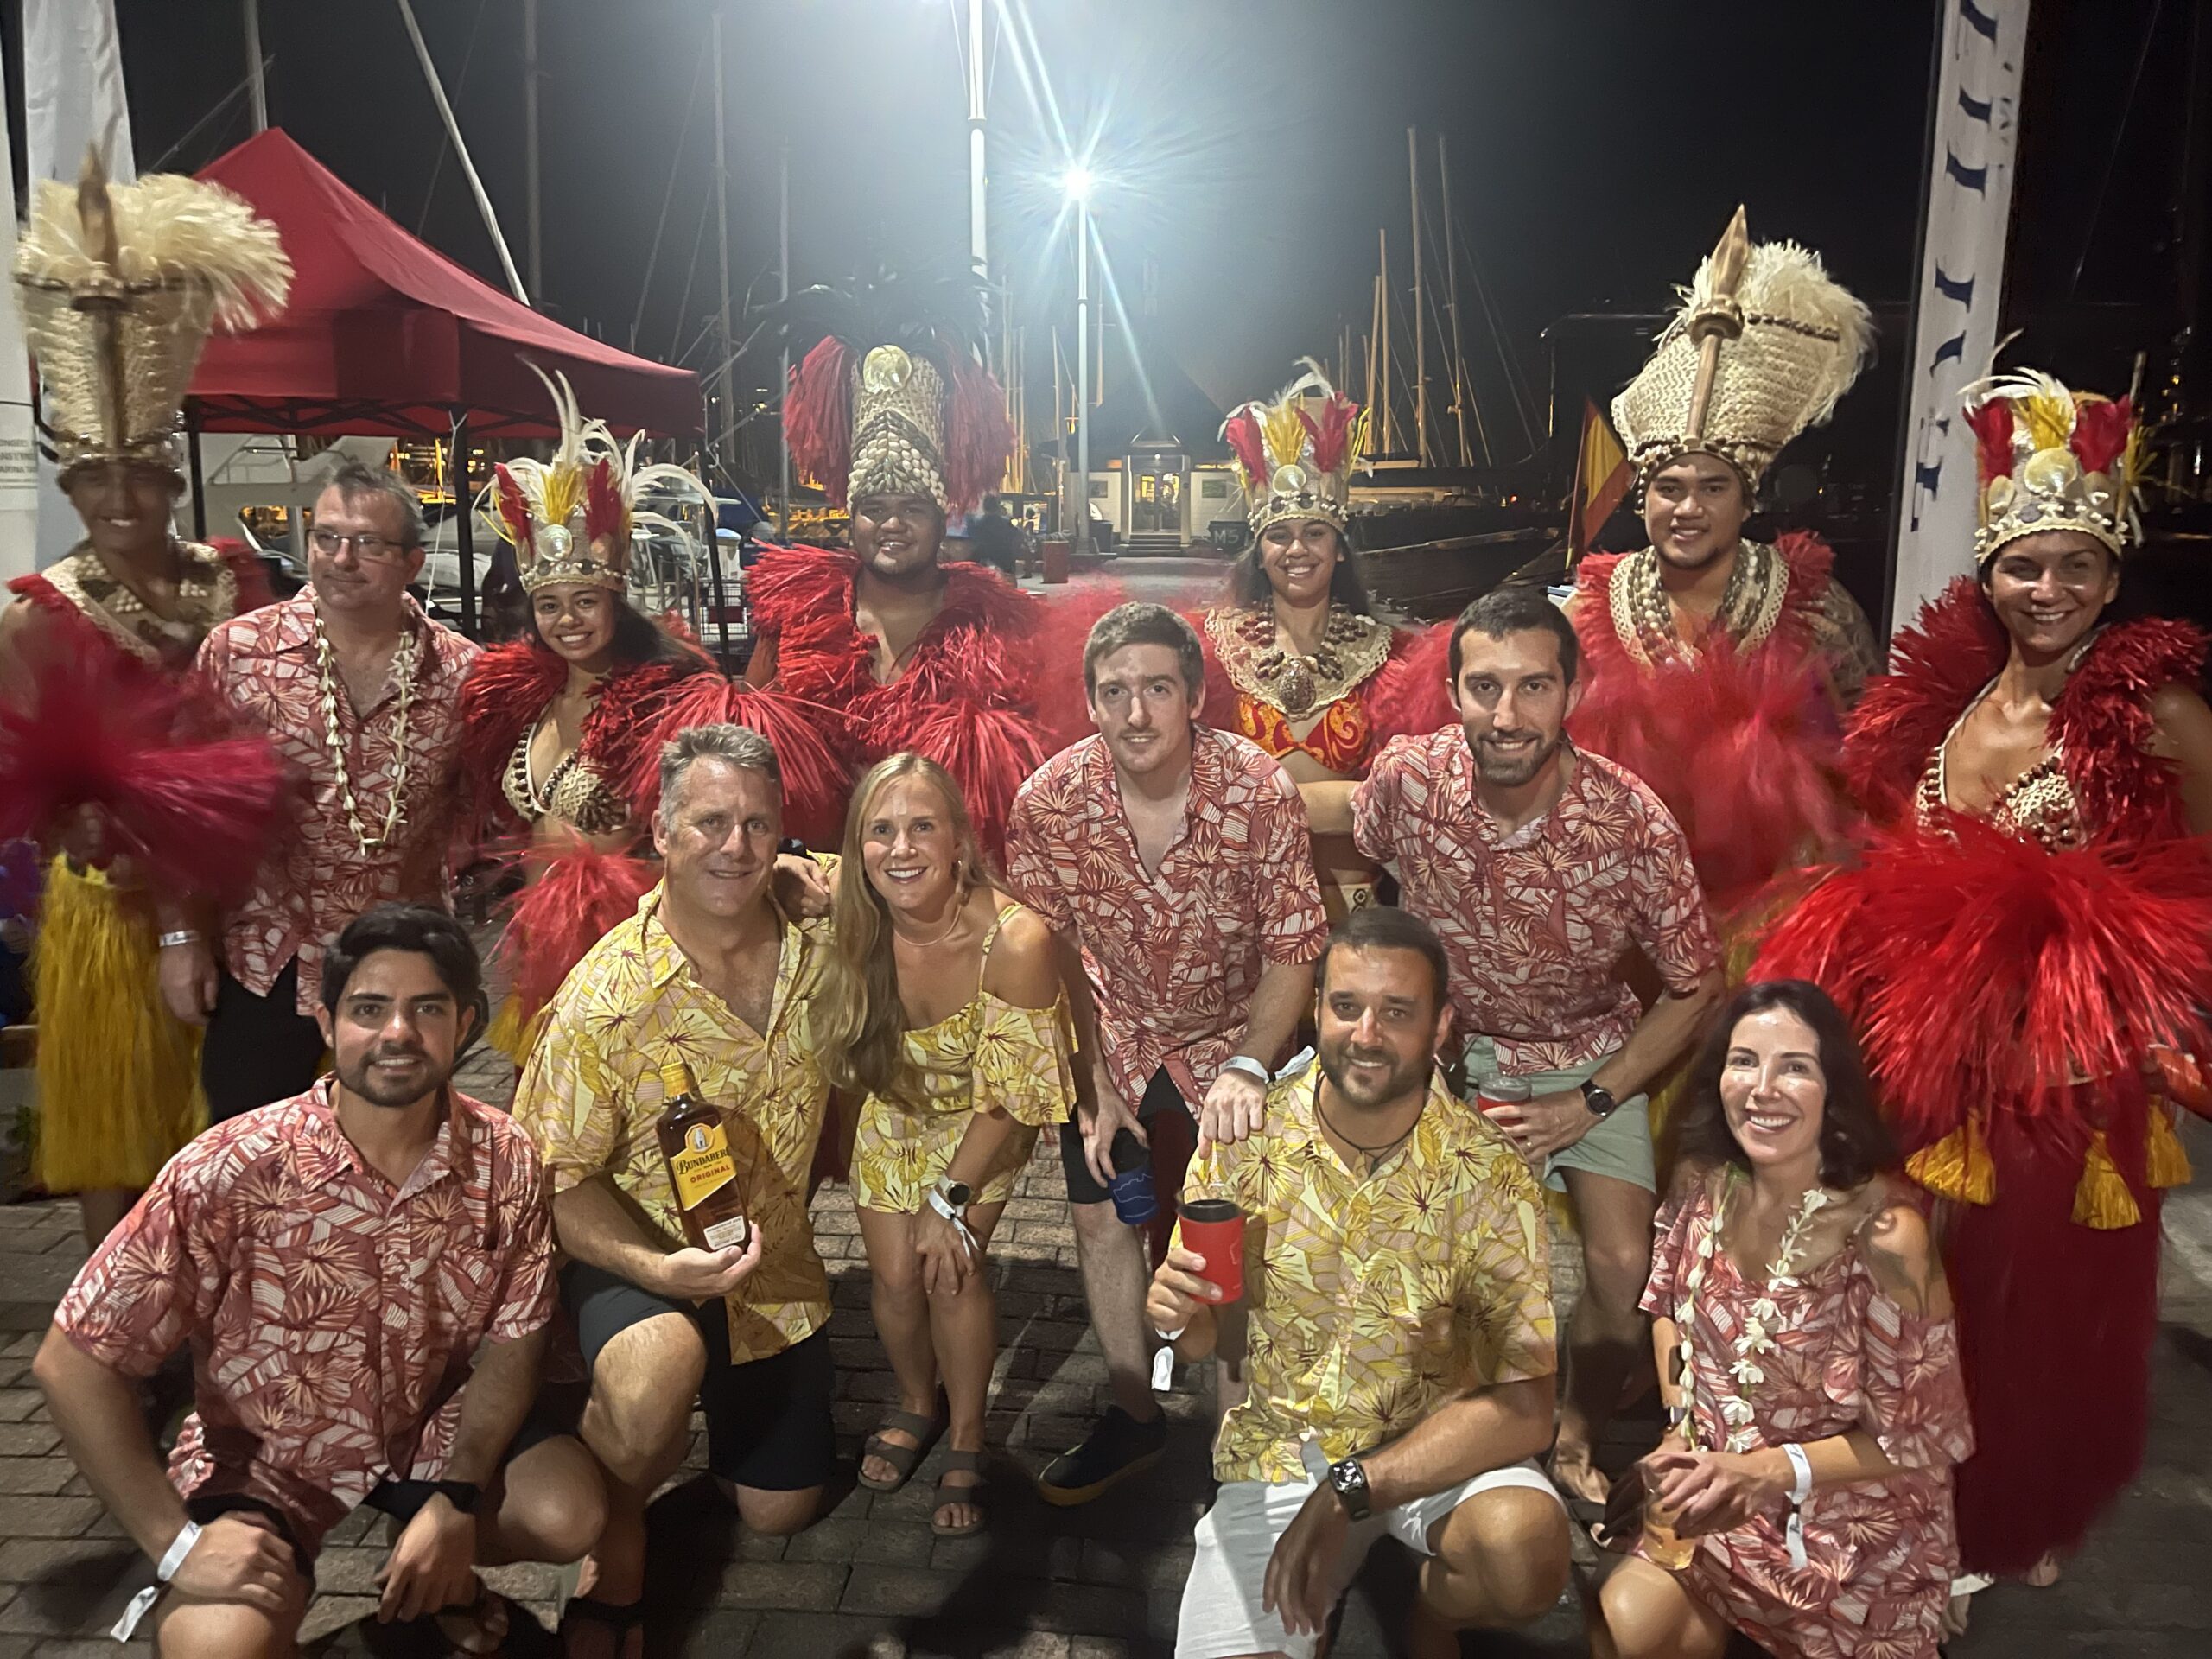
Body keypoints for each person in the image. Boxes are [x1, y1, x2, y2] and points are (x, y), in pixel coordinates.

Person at [1758, 370, 2212, 1601]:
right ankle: (1900, 1494)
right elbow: (1881, 855)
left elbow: (2196, 891)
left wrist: (2093, 973)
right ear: (1990, 573)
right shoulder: (1943, 705)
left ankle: (2012, 1510)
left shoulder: (2158, 716)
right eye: (2025, 566)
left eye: (2075, 568)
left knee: (2033, 1312)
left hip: (2060, 1078)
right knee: (1913, 1293)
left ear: (2114, 580)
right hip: (1923, 1060)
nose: (2048, 591)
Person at [31, 905, 605, 1658]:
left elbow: (514, 1339)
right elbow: (72, 1361)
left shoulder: (506, 1157)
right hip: (270, 1452)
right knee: (213, 1645)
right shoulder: (234, 1165)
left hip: (429, 1429)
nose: (398, 1032)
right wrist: (174, 1546)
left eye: (425, 1008)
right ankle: (412, 1588)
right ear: (328, 1024)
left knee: (566, 1512)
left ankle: (439, 1573)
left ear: (464, 1024)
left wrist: (457, 1500)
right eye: (369, 1009)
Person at [1352, 583, 1724, 1517]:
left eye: (1532, 687)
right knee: (1404, 1250)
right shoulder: (1406, 780)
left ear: (1574, 689)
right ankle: (1431, 1420)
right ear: (1451, 690)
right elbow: (1360, 868)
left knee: (1616, 1268)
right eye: (1483, 687)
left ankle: (1575, 1429)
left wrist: (1586, 1104)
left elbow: (1694, 983)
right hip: (1451, 1054)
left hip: (1584, 1058)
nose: (1506, 715)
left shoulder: (1630, 822)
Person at [0, 155, 290, 1248]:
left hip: (249, 901)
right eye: (96, 481)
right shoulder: (38, 613)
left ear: (174, 479)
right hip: (111, 907)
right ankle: (115, 1331)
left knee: (229, 1129)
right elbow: (30, 783)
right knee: (118, 1127)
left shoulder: (234, 578)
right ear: (71, 488)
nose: (121, 500)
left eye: (143, 477)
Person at [1147, 906, 1570, 1659]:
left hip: (1433, 1449)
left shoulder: (1491, 1174)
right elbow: (1213, 1332)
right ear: (1315, 1011)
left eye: (1397, 1012)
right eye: (1347, 1006)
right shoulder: (1245, 1144)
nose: (1367, 1034)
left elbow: (1528, 1408)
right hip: (1282, 1450)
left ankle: (1435, 1614)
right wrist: (1176, 1319)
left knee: (1524, 1554)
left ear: (1441, 1026)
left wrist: (1352, 1488)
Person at [510, 723, 836, 1649]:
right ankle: (613, 1545)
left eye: (757, 826)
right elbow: (554, 1180)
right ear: (660, 831)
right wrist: (657, 1269)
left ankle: (660, 1427)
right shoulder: (605, 998)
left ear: (784, 838)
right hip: (636, 1257)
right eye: (708, 823)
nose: (734, 847)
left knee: (779, 1512)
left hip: (772, 1276)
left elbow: (925, 863)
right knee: (657, 1376)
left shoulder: (821, 947)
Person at [1006, 601, 1329, 1505]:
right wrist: (1089, 1078)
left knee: (1230, 1240)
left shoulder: (1256, 788)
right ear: (1090, 702)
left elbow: (1293, 947)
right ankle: (1134, 1415)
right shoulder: (1050, 800)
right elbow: (1048, 950)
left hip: (1234, 1031)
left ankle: (1239, 1447)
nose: (1136, 712)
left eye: (1156, 688)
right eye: (1115, 692)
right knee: (1102, 1216)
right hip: (1113, 1034)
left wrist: (1249, 1065)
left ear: (1193, 696)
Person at [1594, 980, 1972, 1659]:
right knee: (1622, 1625)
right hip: (1712, 1511)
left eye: (1794, 1067)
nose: (1762, 1088)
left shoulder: (1887, 1236)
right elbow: (1667, 1316)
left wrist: (1768, 1472)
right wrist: (1682, 1423)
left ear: (1836, 1090)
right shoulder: (1704, 1184)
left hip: (1849, 1542)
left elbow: (1923, 1436)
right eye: (1745, 1062)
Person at [1570, 214, 1884, 914]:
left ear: (1748, 501)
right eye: (1668, 489)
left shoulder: (1818, 610)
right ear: (1642, 498)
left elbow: (1874, 766)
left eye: (1713, 488)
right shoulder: (1589, 611)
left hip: (1780, 910)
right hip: (1626, 912)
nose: (1688, 509)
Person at [742, 276, 1094, 853]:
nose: (892, 525)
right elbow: (750, 756)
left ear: (942, 516)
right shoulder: (795, 614)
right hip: (820, 892)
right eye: (874, 509)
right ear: (852, 517)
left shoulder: (1001, 628)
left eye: (912, 508)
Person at [816, 753, 1074, 1535]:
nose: (902, 848)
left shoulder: (1015, 940)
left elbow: (1011, 1099)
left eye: (923, 826)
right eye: (881, 831)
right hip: (894, 1115)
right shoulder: (855, 918)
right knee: (893, 1282)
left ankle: (967, 1432)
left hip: (982, 1121)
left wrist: (947, 1200)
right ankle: (916, 1401)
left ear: (960, 841)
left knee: (949, 1273)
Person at [176, 454, 480, 1120]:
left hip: (406, 969)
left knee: (404, 1160)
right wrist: (180, 940)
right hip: (267, 959)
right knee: (252, 1163)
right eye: (326, 537)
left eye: (367, 543)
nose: (342, 558)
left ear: (411, 563)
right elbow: (184, 810)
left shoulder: (463, 673)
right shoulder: (238, 652)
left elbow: (502, 807)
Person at [457, 367, 715, 1052]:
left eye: (585, 601)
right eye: (549, 605)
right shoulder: (525, 701)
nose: (567, 620)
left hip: (638, 958)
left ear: (616, 601)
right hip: (542, 960)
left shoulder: (667, 698)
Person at [1203, 362, 1451, 920]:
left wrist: (1269, 806)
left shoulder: (1394, 658)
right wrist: (1339, 801)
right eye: (1279, 536)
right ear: (1259, 551)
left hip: (1355, 916)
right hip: (1243, 910)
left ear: (1340, 549)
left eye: (1315, 533)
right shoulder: (1214, 653)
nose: (1298, 550)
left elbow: (1411, 804)